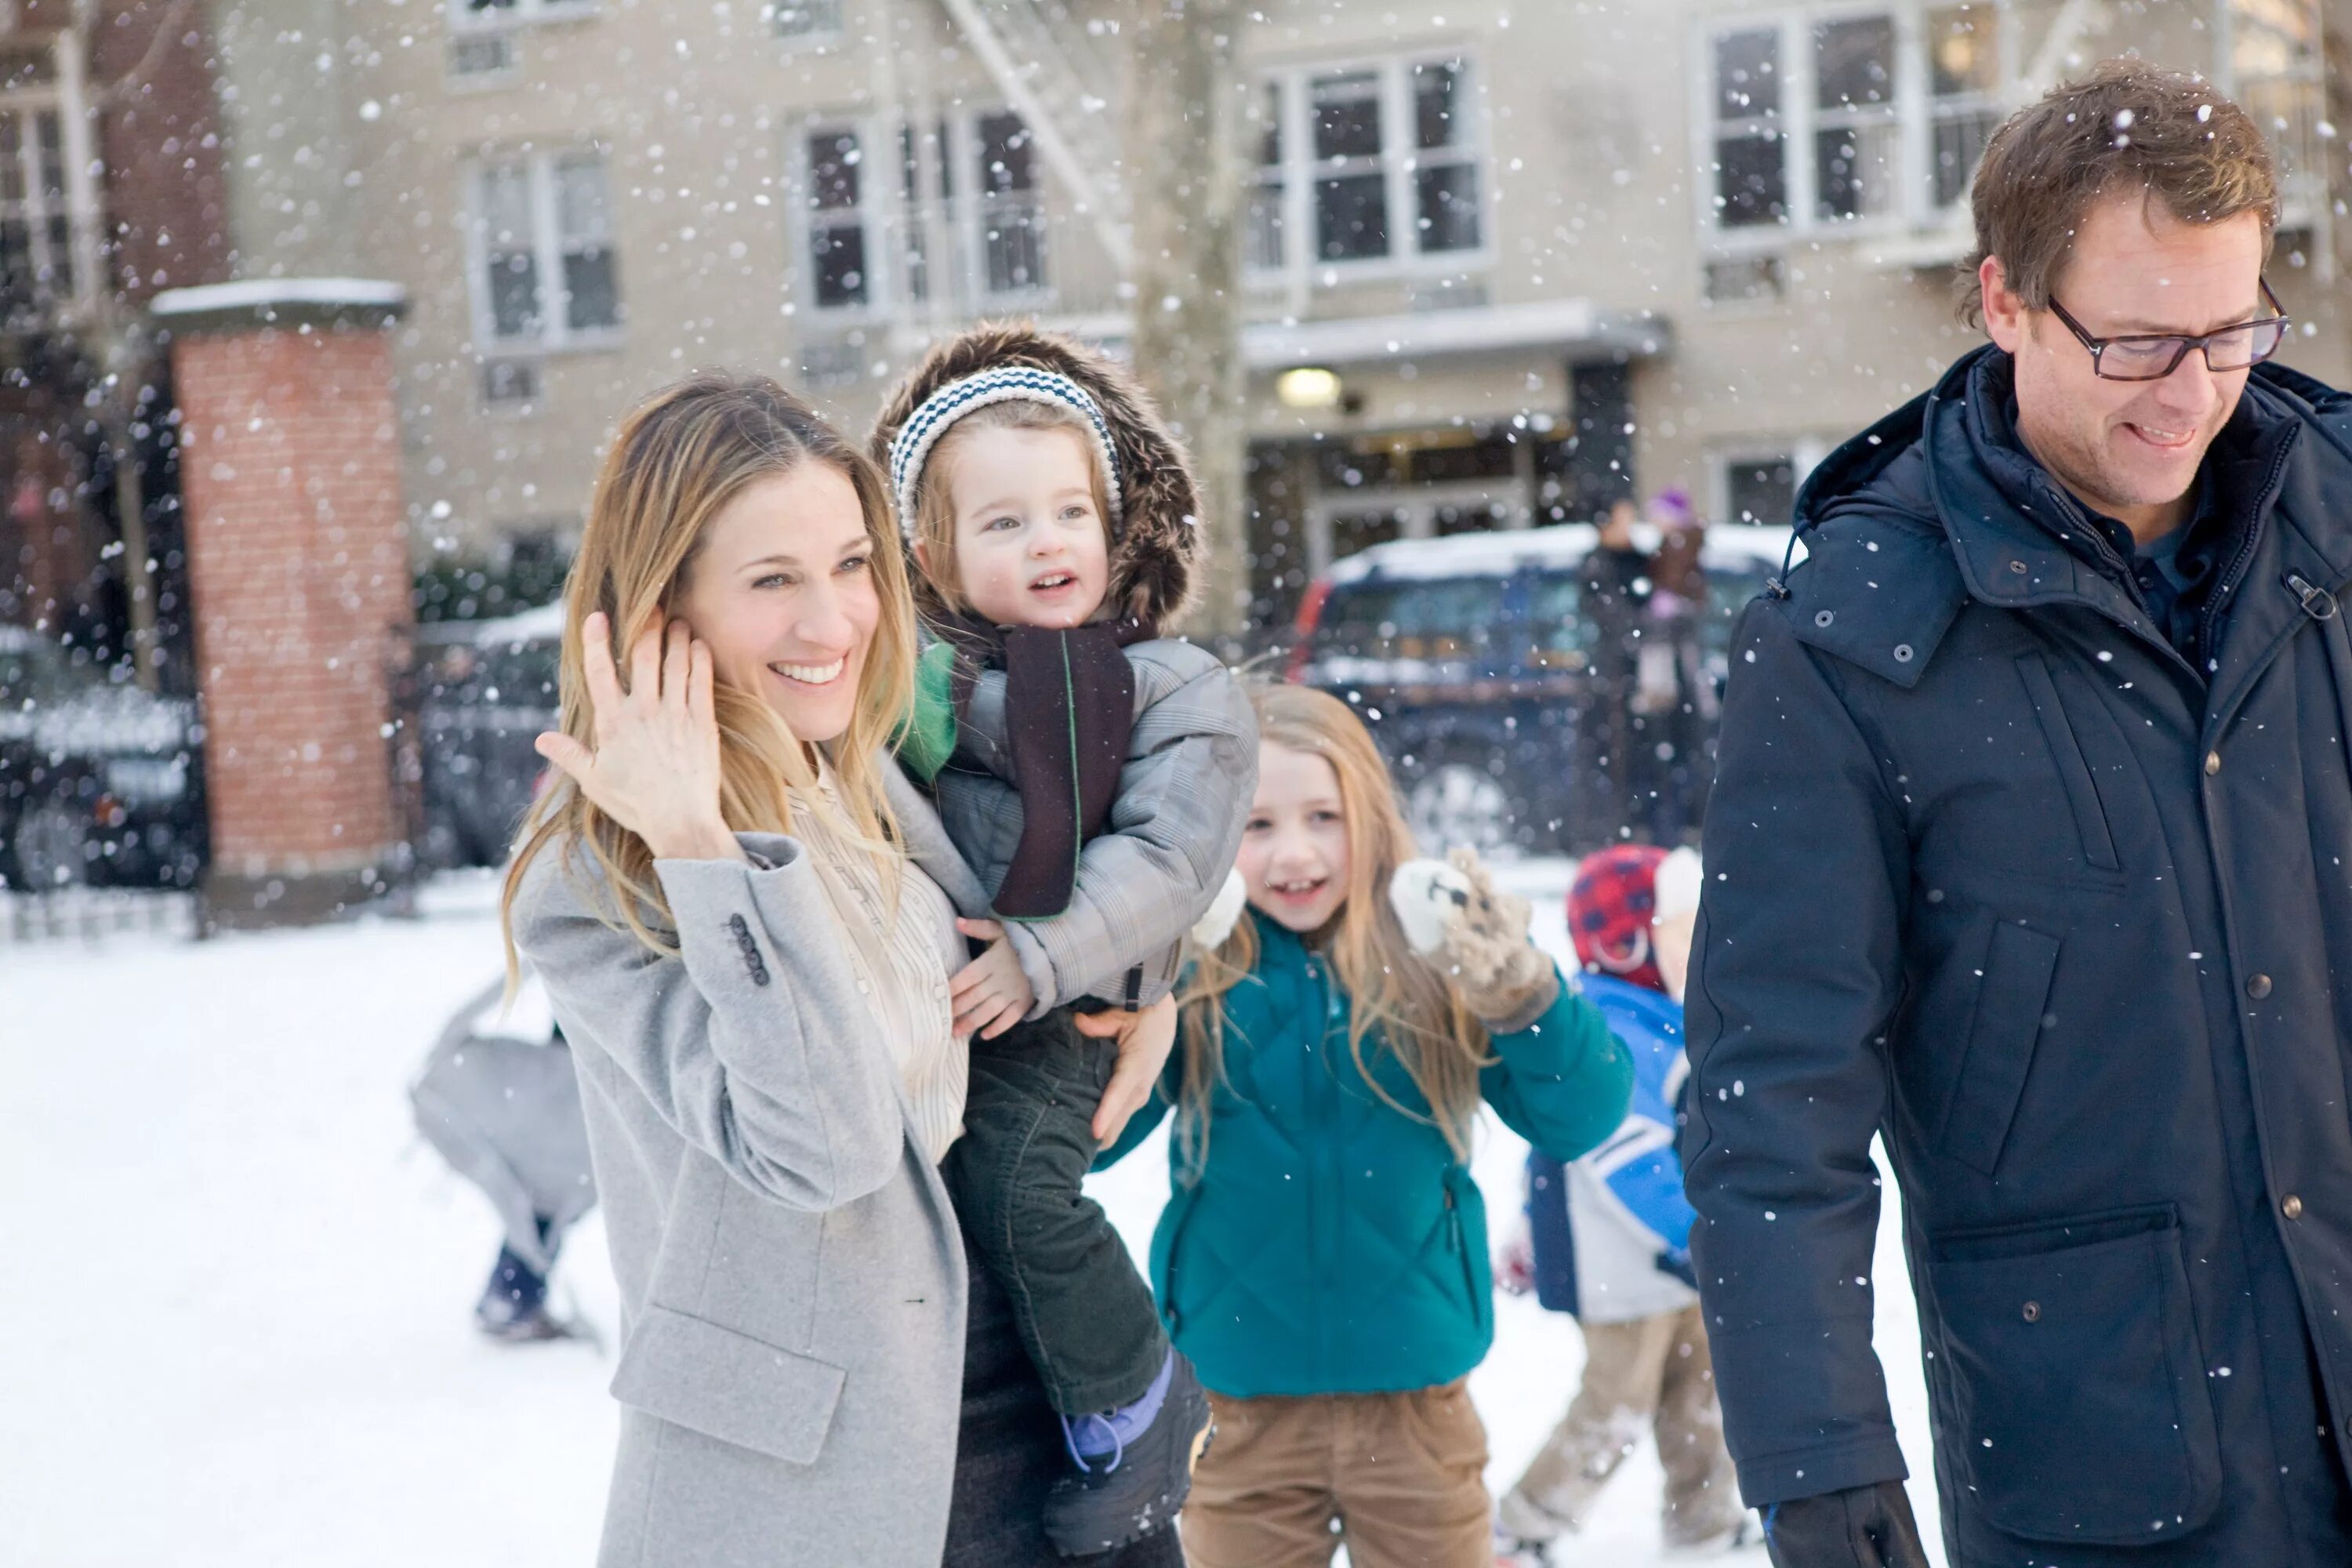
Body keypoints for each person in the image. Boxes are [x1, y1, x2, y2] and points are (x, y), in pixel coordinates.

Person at [1685, 60, 2352, 1568]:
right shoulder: (1851, 637)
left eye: (2233, 329)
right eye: (2134, 342)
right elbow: (1772, 1091)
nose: (2193, 392)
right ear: (2001, 302)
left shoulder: (2341, 524)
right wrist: (1818, 1454)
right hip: (2113, 1446)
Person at [501, 374, 1180, 1568]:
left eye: (853, 566)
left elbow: (997, 1026)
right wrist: (704, 853)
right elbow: (826, 1146)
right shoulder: (600, 876)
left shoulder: (868, 775)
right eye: (773, 582)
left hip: (1025, 1394)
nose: (835, 623)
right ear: (665, 608)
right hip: (821, 1467)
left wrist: (1147, 999)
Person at [868, 325, 1257, 1555]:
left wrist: (1042, 958)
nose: (1048, 543)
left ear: (1117, 525)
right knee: (969, 1201)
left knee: (1021, 1192)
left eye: (1071, 513)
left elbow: (1167, 865)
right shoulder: (908, 686)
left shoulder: (1173, 688)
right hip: (953, 1007)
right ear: (928, 554)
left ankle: (1135, 1403)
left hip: (1066, 1004)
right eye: (1003, 524)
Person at [1095, 682, 1635, 1568]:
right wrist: (1142, 984)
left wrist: (1522, 996)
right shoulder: (1197, 972)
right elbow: (1096, 1138)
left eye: (1323, 815)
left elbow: (1582, 1115)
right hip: (1236, 1412)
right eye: (1257, 824)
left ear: (1373, 815)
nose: (1294, 852)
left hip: (1417, 1409)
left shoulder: (1439, 956)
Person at [1494, 844, 1746, 1562]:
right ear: (1627, 943)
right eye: (1682, 931)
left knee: (1700, 1391)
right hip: (1621, 1266)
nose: (1700, 947)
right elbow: (1627, 1160)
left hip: (1679, 1261)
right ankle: (1527, 1521)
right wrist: (1700, 1230)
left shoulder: (1666, 1018)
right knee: (1616, 1407)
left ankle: (1702, 1519)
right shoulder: (1612, 1030)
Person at [408, 971, 597, 1341]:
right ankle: (511, 1300)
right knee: (555, 1182)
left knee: (553, 1182)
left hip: (593, 1014)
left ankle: (512, 1297)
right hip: (597, 1021)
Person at [1581, 496, 1652, 839]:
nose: (1628, 528)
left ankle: (1633, 823)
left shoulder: (1638, 560)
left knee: (1638, 755)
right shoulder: (1597, 566)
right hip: (1609, 677)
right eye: (1622, 520)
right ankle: (1613, 829)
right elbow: (1609, 615)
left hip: (1634, 675)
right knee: (1612, 756)